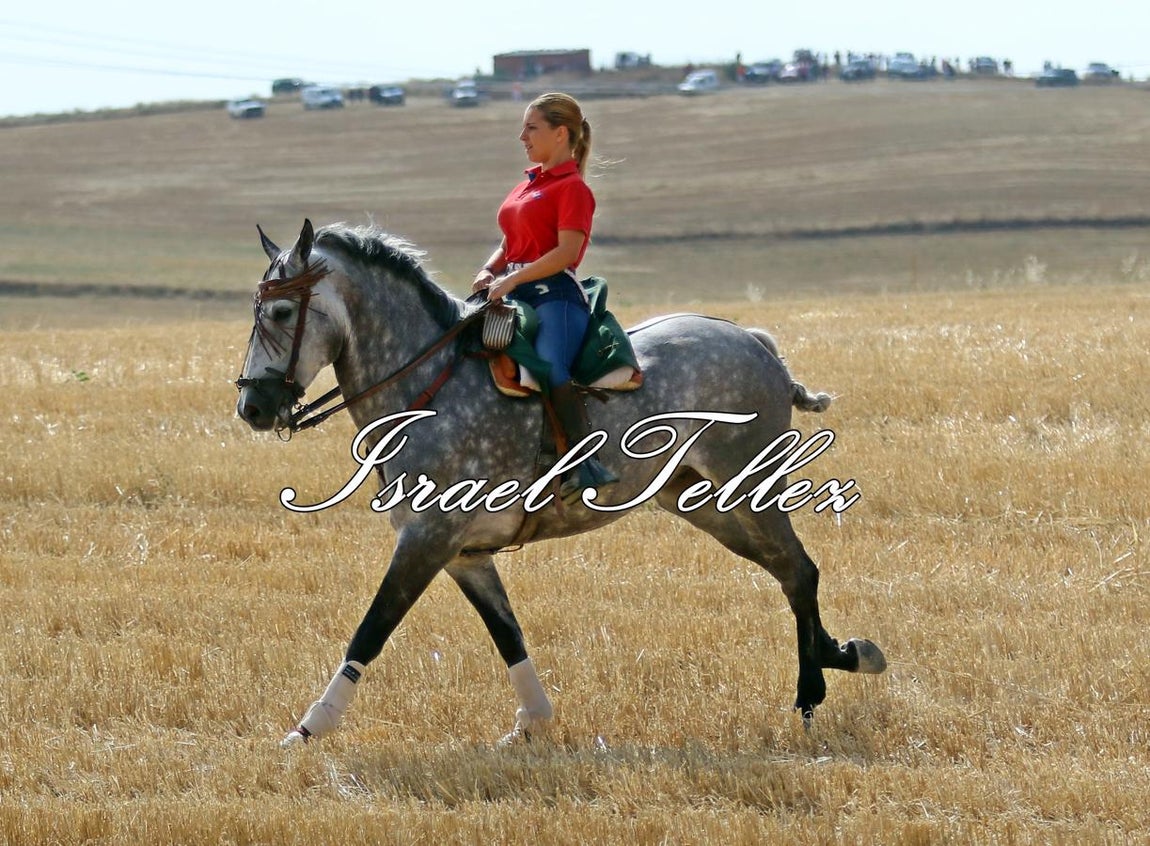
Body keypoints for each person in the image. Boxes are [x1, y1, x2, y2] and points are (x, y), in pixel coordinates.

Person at [472, 92, 617, 504]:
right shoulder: (528, 184)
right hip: (510, 290)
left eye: (531, 127)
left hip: (555, 296)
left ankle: (582, 463)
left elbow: (566, 254)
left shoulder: (573, 189)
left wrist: (513, 281)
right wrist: (490, 269)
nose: (522, 136)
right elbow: (510, 240)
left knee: (551, 367)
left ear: (560, 133)